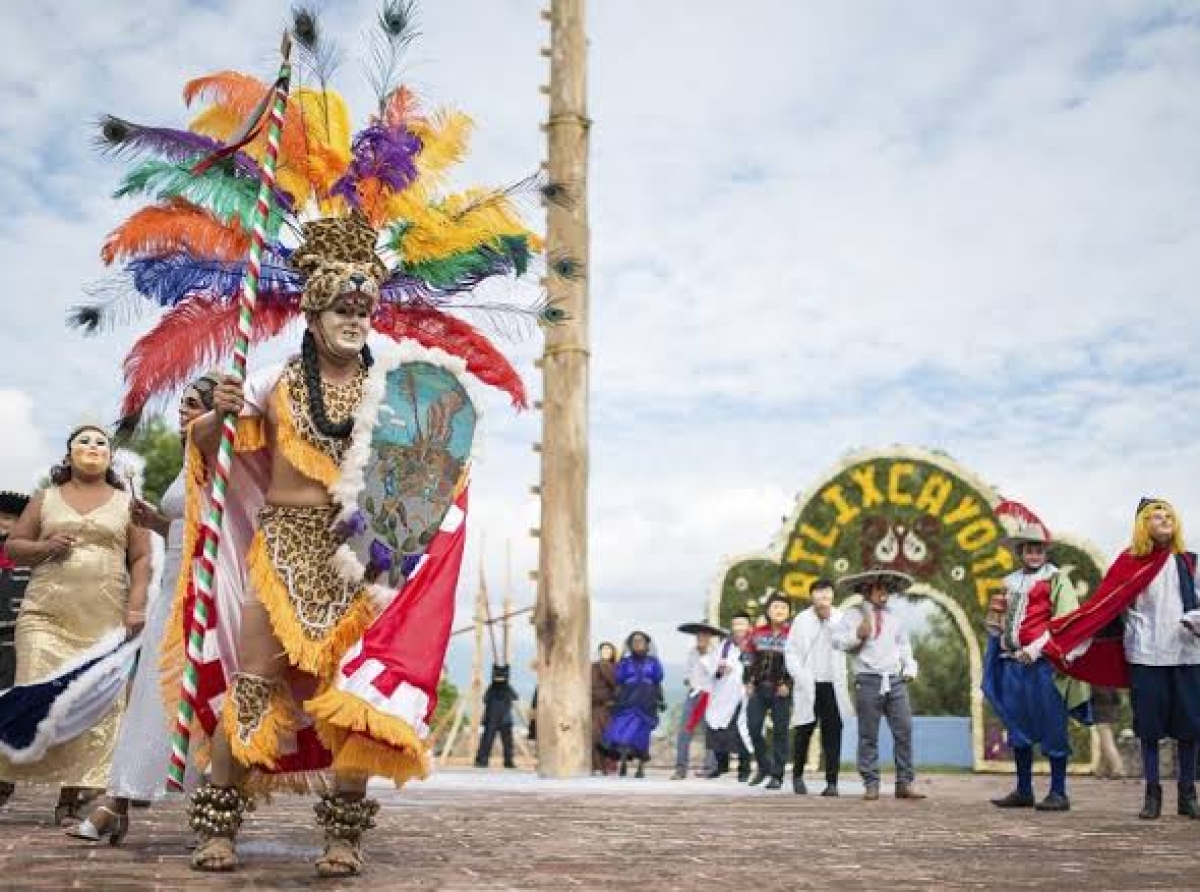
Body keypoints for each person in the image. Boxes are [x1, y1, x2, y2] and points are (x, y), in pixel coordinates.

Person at [65, 376, 218, 844]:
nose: (183, 410)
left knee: (198, 694)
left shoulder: (224, 456)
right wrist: (154, 519)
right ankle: (123, 794)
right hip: (172, 587)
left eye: (195, 404)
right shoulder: (188, 460)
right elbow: (184, 517)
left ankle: (203, 803)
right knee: (151, 685)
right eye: (184, 403)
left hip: (205, 588)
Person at [0, 425, 151, 824]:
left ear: (109, 456)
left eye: (101, 442)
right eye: (84, 441)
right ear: (68, 454)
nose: (93, 447)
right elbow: (14, 546)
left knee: (91, 701)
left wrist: (136, 606)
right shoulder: (44, 498)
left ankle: (74, 794)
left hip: (103, 619)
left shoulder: (126, 502)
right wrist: (44, 547)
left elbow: (140, 559)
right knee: (35, 690)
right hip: (45, 614)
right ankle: (6, 773)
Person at [1043, 498, 1200, 820]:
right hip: (1146, 655)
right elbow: (1103, 607)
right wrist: (1076, 640)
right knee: (1149, 728)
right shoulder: (1130, 562)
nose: (1164, 520)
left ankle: (1188, 793)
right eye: (1156, 517)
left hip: (1187, 653)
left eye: (1168, 515)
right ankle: (1152, 794)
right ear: (1144, 525)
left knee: (1190, 727)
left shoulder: (1189, 562)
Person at [981, 521, 1089, 812]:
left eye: (1039, 549)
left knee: (1053, 724)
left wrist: (1036, 648)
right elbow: (997, 621)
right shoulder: (1009, 582)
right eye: (1029, 549)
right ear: (1021, 551)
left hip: (1044, 665)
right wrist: (995, 628)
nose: (1034, 555)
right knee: (1018, 726)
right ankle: (1024, 789)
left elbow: (1065, 620)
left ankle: (1058, 792)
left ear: (1045, 552)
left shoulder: (1056, 580)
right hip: (1013, 664)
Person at [833, 568, 924, 801]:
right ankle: (871, 783)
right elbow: (837, 641)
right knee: (868, 735)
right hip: (868, 680)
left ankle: (904, 783)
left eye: (887, 589)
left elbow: (904, 646)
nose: (884, 593)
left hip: (894, 680)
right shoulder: (853, 615)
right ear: (866, 590)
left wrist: (909, 668)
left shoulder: (895, 617)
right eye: (879, 588)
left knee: (904, 730)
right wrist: (857, 634)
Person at [785, 578, 852, 796]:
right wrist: (800, 677)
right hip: (808, 683)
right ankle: (797, 776)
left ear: (833, 597)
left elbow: (845, 643)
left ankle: (832, 782)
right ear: (811, 596)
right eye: (819, 594)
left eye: (827, 595)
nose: (823, 599)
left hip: (832, 684)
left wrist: (829, 622)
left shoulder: (840, 618)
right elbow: (791, 652)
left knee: (833, 732)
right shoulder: (801, 620)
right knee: (804, 730)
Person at [0, 490, 31, 807]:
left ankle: (4, 778)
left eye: (9, 518)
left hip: (16, 641)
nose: (3, 524)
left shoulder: (30, 560)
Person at [600, 632, 665, 778]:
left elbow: (658, 678)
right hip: (628, 700)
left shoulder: (653, 661)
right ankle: (623, 760)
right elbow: (619, 678)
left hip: (647, 701)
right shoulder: (625, 662)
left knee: (642, 735)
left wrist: (659, 698)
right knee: (623, 732)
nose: (637, 643)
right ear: (630, 645)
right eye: (634, 641)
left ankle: (641, 767)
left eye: (641, 641)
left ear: (647, 644)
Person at [746, 593, 793, 789]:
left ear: (789, 612)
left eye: (783, 607)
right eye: (775, 607)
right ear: (768, 610)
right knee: (753, 727)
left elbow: (798, 663)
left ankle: (777, 775)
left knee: (781, 732)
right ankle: (764, 765)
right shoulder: (757, 633)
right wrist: (747, 681)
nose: (779, 610)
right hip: (758, 688)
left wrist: (788, 684)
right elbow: (747, 659)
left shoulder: (793, 635)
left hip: (780, 691)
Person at [704, 613, 753, 782]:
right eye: (736, 624)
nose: (739, 627)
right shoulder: (724, 645)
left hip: (744, 694)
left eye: (742, 623)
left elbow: (758, 666)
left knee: (741, 730)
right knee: (717, 728)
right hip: (724, 693)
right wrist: (720, 670)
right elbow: (712, 668)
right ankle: (721, 765)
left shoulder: (754, 644)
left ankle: (744, 769)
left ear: (748, 625)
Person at [672, 622, 721, 780]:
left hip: (709, 695)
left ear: (709, 638)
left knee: (710, 732)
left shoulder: (715, 653)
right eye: (698, 636)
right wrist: (688, 680)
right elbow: (688, 672)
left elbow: (715, 673)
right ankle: (680, 768)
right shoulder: (692, 652)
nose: (701, 638)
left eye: (704, 636)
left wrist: (705, 655)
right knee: (685, 730)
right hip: (693, 694)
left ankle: (710, 767)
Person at [475, 664, 519, 769]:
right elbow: (515, 697)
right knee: (489, 740)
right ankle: (483, 760)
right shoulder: (499, 688)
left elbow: (485, 699)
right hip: (496, 718)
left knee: (503, 741)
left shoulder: (497, 688)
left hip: (499, 718)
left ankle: (506, 761)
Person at [591, 642, 618, 774]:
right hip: (596, 706)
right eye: (603, 650)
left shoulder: (617, 667)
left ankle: (608, 765)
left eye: (608, 650)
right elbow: (590, 685)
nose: (606, 652)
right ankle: (596, 765)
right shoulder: (594, 667)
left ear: (613, 652)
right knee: (595, 735)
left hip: (611, 706)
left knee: (609, 736)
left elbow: (619, 686)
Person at [1092, 687, 1125, 779]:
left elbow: (1096, 694)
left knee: (1107, 742)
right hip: (1112, 709)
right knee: (1104, 741)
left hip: (1101, 710)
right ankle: (1101, 770)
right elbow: (1117, 697)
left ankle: (1118, 768)